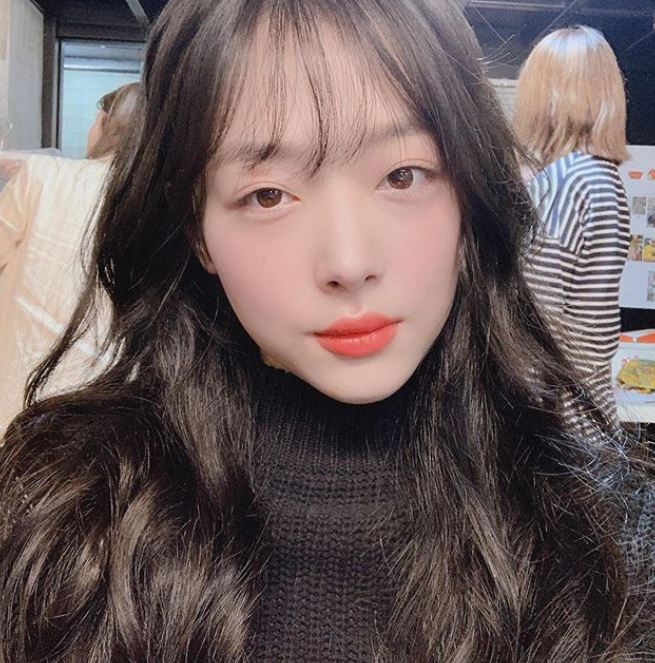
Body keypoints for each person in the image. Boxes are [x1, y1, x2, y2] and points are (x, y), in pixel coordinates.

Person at [0, 2, 653, 661]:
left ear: (468, 194)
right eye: (268, 195)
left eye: (402, 175)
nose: (348, 261)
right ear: (197, 231)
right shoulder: (67, 510)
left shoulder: (595, 536)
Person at [0, 83, 141, 435]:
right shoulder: (155, 203)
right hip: (105, 412)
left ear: (107, 123)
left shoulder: (41, 176)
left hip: (17, 395)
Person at [513, 26, 630, 421]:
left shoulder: (567, 181)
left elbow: (530, 319)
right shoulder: (602, 177)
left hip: (556, 422)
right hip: (588, 413)